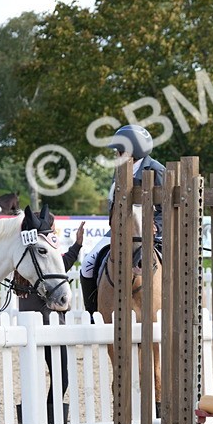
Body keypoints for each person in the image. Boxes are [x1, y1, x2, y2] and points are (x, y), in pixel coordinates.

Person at [78, 125, 165, 314]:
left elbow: (166, 207)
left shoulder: (157, 170)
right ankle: (93, 314)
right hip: (119, 232)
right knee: (87, 265)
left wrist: (156, 226)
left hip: (150, 233)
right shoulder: (119, 170)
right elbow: (112, 204)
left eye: (119, 150)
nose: (116, 155)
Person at [18, 221, 83, 424]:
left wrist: (77, 245)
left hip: (55, 327)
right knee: (35, 383)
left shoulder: (49, 259)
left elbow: (61, 265)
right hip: (37, 328)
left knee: (61, 378)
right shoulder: (29, 263)